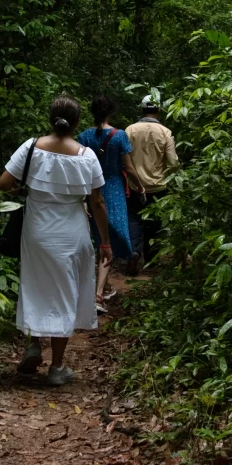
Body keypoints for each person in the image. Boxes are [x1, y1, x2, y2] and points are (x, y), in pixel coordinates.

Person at [0, 95, 111, 385]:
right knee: (66, 293)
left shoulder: (31, 147)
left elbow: (4, 184)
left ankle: (34, 344)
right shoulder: (86, 156)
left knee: (36, 284)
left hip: (36, 229)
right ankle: (57, 368)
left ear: (51, 118)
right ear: (76, 123)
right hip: (71, 232)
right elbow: (97, 202)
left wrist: (29, 192)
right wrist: (106, 242)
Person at [79, 95, 145, 306]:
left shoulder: (84, 136)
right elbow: (128, 167)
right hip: (114, 190)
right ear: (111, 112)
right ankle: (98, 294)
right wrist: (139, 185)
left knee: (98, 239)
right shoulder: (119, 136)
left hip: (90, 190)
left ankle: (101, 287)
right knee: (108, 242)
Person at [125, 92, 179, 271]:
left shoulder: (130, 130)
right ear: (159, 110)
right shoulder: (165, 132)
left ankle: (134, 252)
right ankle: (151, 259)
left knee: (134, 219)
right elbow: (172, 162)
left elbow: (123, 158)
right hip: (158, 186)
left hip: (134, 184)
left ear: (142, 109)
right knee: (154, 222)